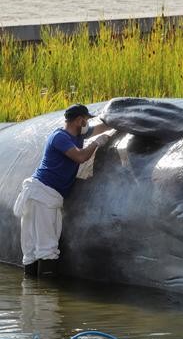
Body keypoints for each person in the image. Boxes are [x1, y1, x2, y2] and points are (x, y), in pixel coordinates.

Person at [13, 104, 111, 277]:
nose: (87, 123)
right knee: (45, 247)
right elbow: (80, 157)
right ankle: (45, 298)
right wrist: (96, 144)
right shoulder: (60, 137)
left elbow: (101, 128)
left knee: (35, 248)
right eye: (86, 120)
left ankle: (31, 295)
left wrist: (118, 121)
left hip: (44, 196)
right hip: (42, 195)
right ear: (79, 120)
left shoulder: (79, 134)